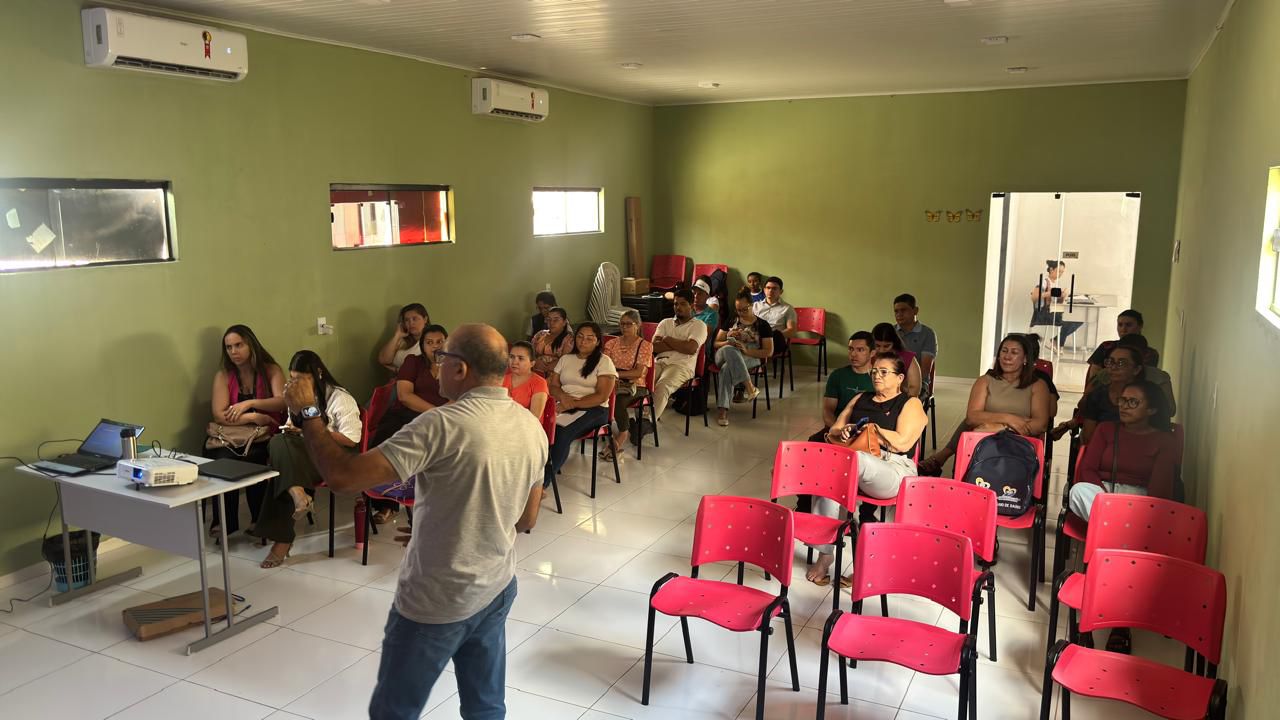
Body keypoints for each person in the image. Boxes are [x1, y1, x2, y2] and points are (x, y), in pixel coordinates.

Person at [282, 324, 547, 720]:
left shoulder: (442, 424)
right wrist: (444, 523)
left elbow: (342, 477)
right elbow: (525, 519)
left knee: (394, 711)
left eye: (442, 357)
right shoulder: (529, 425)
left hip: (439, 599)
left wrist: (308, 413)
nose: (436, 366)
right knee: (486, 707)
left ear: (460, 368)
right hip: (497, 586)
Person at [1067, 379, 1178, 656]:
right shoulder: (1107, 430)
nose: (1124, 406)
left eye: (1133, 402)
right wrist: (1107, 499)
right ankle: (1121, 556)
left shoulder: (1165, 440)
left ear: (1152, 409)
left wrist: (1123, 509)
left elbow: (1160, 491)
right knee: (1078, 491)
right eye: (1122, 400)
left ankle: (1106, 613)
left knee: (1146, 514)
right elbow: (1087, 470)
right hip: (1103, 495)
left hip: (1141, 499)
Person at [805, 352, 926, 585]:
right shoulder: (861, 398)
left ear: (900, 378)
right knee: (830, 475)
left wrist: (872, 430)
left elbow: (903, 443)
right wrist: (846, 430)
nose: (877, 376)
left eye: (884, 372)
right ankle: (825, 554)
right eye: (874, 372)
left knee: (850, 461)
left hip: (894, 468)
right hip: (855, 465)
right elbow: (833, 430)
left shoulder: (910, 403)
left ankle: (867, 563)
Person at [257, 351, 362, 568]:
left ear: (318, 374)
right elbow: (291, 427)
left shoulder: (339, 398)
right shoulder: (295, 396)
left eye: (302, 379)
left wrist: (314, 430)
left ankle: (284, 537)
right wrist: (295, 429)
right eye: (293, 378)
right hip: (306, 453)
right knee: (278, 442)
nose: (296, 384)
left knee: (283, 468)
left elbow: (351, 440)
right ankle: (298, 494)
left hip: (334, 456)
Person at [918, 334, 1053, 476]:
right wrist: (1010, 419)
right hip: (983, 441)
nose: (1007, 357)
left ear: (1025, 359)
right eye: (1004, 351)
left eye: (1014, 352)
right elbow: (972, 417)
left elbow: (1040, 424)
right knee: (971, 427)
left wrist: (1000, 427)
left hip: (1019, 445)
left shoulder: (1038, 385)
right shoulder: (985, 381)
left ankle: (941, 457)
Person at [208, 324, 286, 538]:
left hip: (265, 434)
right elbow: (219, 415)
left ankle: (258, 518)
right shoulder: (224, 375)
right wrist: (253, 416)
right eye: (229, 347)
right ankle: (226, 520)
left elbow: (281, 402)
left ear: (251, 345)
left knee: (255, 457)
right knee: (221, 458)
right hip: (234, 435)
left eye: (239, 345)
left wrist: (249, 403)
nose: (234, 352)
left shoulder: (271, 370)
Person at [369, 325, 450, 524]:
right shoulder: (413, 362)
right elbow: (405, 395)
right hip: (408, 414)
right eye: (429, 342)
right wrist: (433, 411)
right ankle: (387, 502)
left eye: (439, 342)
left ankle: (428, 500)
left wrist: (439, 415)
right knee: (388, 439)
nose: (435, 346)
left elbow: (458, 397)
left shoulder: (455, 366)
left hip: (442, 420)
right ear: (422, 345)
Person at [545, 322, 618, 489]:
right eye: (580, 337)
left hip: (595, 410)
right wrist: (563, 397)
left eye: (589, 338)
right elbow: (553, 386)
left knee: (561, 432)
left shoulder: (604, 362)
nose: (583, 341)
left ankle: (542, 484)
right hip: (564, 404)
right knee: (538, 428)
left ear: (597, 341)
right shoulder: (565, 359)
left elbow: (601, 396)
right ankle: (531, 475)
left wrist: (571, 404)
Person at [714, 289, 774, 427]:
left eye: (744, 309)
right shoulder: (731, 320)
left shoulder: (763, 325)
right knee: (729, 349)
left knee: (727, 368)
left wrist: (746, 350)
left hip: (749, 356)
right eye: (738, 310)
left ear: (752, 305)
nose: (740, 313)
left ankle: (723, 410)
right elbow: (716, 343)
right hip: (723, 354)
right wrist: (728, 341)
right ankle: (749, 387)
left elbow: (768, 351)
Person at [650, 289, 709, 424]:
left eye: (683, 304)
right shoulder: (665, 323)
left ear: (692, 306)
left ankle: (648, 422)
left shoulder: (699, 325)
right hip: (659, 362)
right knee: (643, 383)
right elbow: (654, 347)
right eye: (676, 304)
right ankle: (642, 419)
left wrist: (667, 339)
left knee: (662, 387)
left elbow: (690, 348)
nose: (678, 307)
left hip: (681, 366)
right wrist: (681, 344)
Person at [601, 310, 653, 460]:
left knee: (618, 400)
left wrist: (615, 375)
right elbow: (604, 366)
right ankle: (599, 428)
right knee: (597, 395)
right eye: (622, 324)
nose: (624, 327)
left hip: (636, 386)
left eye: (628, 324)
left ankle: (623, 432)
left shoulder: (645, 345)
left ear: (637, 325)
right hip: (612, 381)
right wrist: (612, 377)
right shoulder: (611, 343)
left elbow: (638, 373)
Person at [1078, 344, 1145, 445]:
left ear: (1136, 369)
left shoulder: (1149, 395)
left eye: (1121, 363)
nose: (1113, 367)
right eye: (1110, 362)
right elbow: (1088, 438)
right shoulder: (1097, 395)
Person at [1085, 309, 1160, 384]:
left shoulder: (1150, 353)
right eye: (1120, 325)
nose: (1123, 329)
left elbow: (1147, 378)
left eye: (1128, 325)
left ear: (1140, 326)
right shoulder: (1106, 346)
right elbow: (1093, 375)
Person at [1030, 259, 1083, 348]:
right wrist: (1051, 293)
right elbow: (1034, 296)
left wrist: (1062, 296)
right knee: (1072, 320)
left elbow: (1055, 301)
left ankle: (1056, 340)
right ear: (1051, 270)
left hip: (1053, 311)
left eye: (1062, 272)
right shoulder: (1044, 282)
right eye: (1059, 271)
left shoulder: (1055, 283)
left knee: (1080, 319)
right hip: (1044, 314)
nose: (1060, 274)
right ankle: (1057, 342)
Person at [893, 293, 938, 394]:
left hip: (918, 383)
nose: (899, 314)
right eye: (896, 311)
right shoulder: (891, 331)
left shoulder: (927, 334)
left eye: (903, 310)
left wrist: (904, 385)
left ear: (915, 310)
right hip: (892, 381)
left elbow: (925, 369)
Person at [871, 323, 923, 397]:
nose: (881, 350)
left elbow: (914, 388)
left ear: (894, 343)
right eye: (877, 346)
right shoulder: (869, 356)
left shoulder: (907, 358)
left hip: (900, 399)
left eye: (886, 346)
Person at [377, 303, 430, 372]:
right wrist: (397, 335)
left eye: (414, 319)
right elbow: (383, 360)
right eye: (407, 320)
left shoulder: (431, 341)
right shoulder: (402, 340)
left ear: (425, 319)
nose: (411, 323)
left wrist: (397, 370)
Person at [503, 341, 548, 419]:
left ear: (532, 363)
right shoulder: (501, 379)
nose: (514, 362)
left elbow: (534, 418)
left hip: (525, 425)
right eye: (512, 357)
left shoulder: (539, 383)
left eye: (520, 358)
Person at [753, 276, 797, 355]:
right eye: (768, 288)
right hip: (755, 338)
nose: (770, 290)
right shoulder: (755, 306)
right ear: (764, 290)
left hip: (775, 340)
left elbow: (792, 330)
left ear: (781, 291)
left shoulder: (788, 308)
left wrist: (771, 336)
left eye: (774, 288)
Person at [532, 306, 573, 376]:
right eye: (549, 319)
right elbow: (529, 352)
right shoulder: (540, 334)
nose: (551, 323)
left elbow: (566, 360)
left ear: (564, 322)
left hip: (556, 375)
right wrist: (535, 361)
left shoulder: (569, 340)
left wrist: (549, 367)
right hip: (535, 371)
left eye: (555, 320)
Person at [692, 277, 720, 365]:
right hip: (681, 347)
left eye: (700, 294)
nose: (696, 296)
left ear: (707, 296)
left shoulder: (711, 314)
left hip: (699, 353)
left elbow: (702, 338)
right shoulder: (686, 309)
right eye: (694, 293)